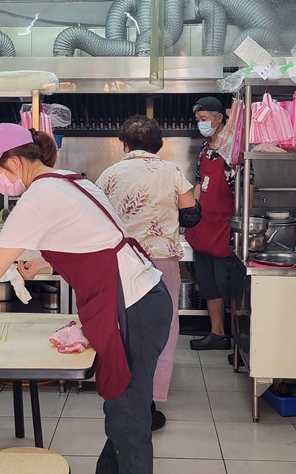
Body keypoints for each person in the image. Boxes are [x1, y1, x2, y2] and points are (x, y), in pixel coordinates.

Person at [0, 123, 171, 474]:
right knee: (123, 411)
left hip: (131, 303)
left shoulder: (38, 197)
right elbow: (94, 236)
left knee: (127, 417)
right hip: (146, 297)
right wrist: (43, 260)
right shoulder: (69, 179)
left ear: (13, 161)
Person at [96, 115, 201, 431]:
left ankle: (121, 393)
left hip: (120, 261)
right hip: (161, 262)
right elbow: (192, 216)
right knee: (161, 330)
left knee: (122, 326)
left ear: (124, 144)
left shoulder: (109, 174)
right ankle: (149, 401)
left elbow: (97, 217)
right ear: (159, 145)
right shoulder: (171, 172)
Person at [185, 96, 237, 351]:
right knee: (208, 284)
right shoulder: (205, 149)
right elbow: (198, 183)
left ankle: (238, 339)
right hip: (204, 227)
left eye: (204, 119)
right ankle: (217, 333)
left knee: (230, 287)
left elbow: (245, 189)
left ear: (219, 119)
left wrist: (239, 225)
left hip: (225, 229)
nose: (201, 124)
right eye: (198, 120)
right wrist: (190, 216)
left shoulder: (233, 152)